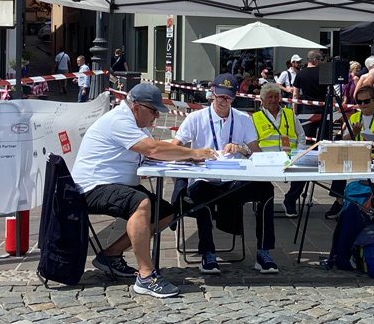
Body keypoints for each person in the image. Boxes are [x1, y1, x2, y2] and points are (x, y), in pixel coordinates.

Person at [71, 83, 213, 298]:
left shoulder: (137, 125)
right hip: (93, 186)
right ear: (136, 107)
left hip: (113, 184)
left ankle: (110, 255)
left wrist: (186, 155)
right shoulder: (120, 120)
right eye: (153, 111)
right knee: (141, 203)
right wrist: (192, 152)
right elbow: (152, 149)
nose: (156, 116)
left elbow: (153, 151)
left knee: (165, 213)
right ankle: (146, 276)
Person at [171, 73, 278, 274]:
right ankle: (208, 253)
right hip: (205, 178)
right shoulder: (196, 118)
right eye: (220, 96)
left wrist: (241, 149)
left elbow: (257, 153)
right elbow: (174, 148)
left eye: (228, 98)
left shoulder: (243, 119)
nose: (223, 101)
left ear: (234, 97)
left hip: (232, 179)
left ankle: (264, 252)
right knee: (200, 191)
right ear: (212, 94)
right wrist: (194, 154)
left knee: (266, 190)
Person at [292, 50, 344, 219]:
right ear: (315, 59)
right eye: (321, 59)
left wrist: (295, 113)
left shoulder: (300, 73)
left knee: (305, 146)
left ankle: (304, 172)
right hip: (324, 110)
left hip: (306, 110)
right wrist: (335, 107)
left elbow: (295, 94)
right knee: (325, 146)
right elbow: (331, 93)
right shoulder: (324, 72)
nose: (322, 61)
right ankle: (323, 167)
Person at [253, 82, 306, 217]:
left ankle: (290, 200)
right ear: (263, 100)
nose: (274, 100)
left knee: (304, 174)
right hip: (266, 158)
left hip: (290, 157)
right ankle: (264, 202)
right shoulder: (255, 118)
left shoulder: (289, 114)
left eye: (276, 96)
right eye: (270, 97)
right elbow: (251, 141)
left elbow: (301, 135)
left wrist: (299, 154)